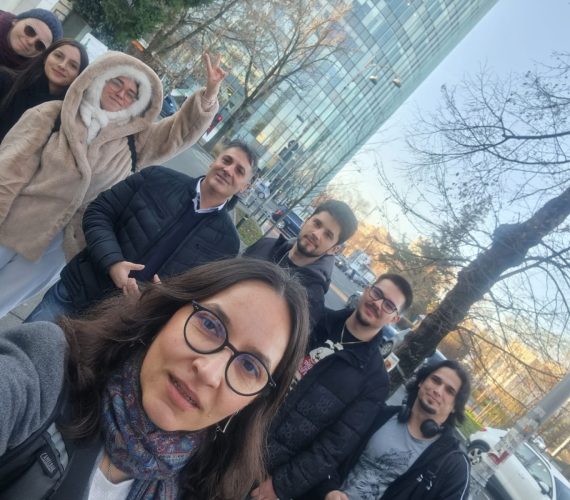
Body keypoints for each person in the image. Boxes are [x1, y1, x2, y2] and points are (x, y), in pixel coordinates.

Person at [0, 258, 310, 499]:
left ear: (252, 402)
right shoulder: (48, 366)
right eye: (210, 325)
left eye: (250, 367)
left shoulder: (207, 488)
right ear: (170, 313)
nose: (209, 372)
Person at [0, 50, 225, 318]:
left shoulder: (135, 143)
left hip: (55, 250)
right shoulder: (52, 114)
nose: (121, 93)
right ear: (99, 78)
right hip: (12, 224)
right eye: (117, 82)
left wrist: (208, 95)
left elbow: (179, 132)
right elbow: (9, 170)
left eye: (131, 93)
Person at [26, 141, 257, 322]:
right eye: (226, 160)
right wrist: (113, 262)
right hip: (76, 293)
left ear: (244, 187)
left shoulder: (227, 244)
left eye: (239, 171)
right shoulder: (156, 178)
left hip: (121, 328)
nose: (228, 170)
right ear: (214, 161)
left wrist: (161, 300)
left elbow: (200, 299)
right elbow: (98, 212)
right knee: (17, 357)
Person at [252, 274, 413, 500]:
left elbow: (334, 446)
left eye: (388, 305)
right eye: (377, 293)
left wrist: (281, 486)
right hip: (237, 426)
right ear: (367, 289)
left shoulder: (374, 381)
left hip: (266, 468)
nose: (377, 304)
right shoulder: (313, 318)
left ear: (394, 319)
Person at [320, 359, 472, 500]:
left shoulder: (454, 465)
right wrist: (329, 489)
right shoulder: (378, 415)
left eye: (449, 391)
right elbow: (330, 452)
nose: (438, 391)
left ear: (455, 407)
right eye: (435, 380)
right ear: (421, 382)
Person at [244, 200, 358, 326]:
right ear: (305, 221)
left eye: (328, 235)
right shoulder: (266, 244)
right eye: (317, 223)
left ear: (334, 249)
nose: (316, 234)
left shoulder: (311, 301)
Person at [0, 38, 89, 143]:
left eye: (73, 65)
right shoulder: (5, 80)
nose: (62, 65)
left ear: (79, 76)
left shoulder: (66, 119)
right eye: (58, 56)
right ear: (46, 57)